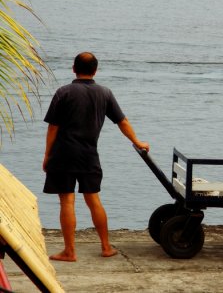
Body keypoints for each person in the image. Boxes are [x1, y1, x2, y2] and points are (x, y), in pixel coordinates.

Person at [43, 52, 149, 262]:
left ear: (73, 68)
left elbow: (53, 128)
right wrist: (136, 142)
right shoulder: (105, 93)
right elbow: (122, 122)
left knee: (67, 202)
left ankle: (69, 251)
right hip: (89, 154)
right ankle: (106, 247)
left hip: (63, 154)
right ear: (95, 70)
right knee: (93, 200)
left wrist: (47, 155)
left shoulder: (63, 92)